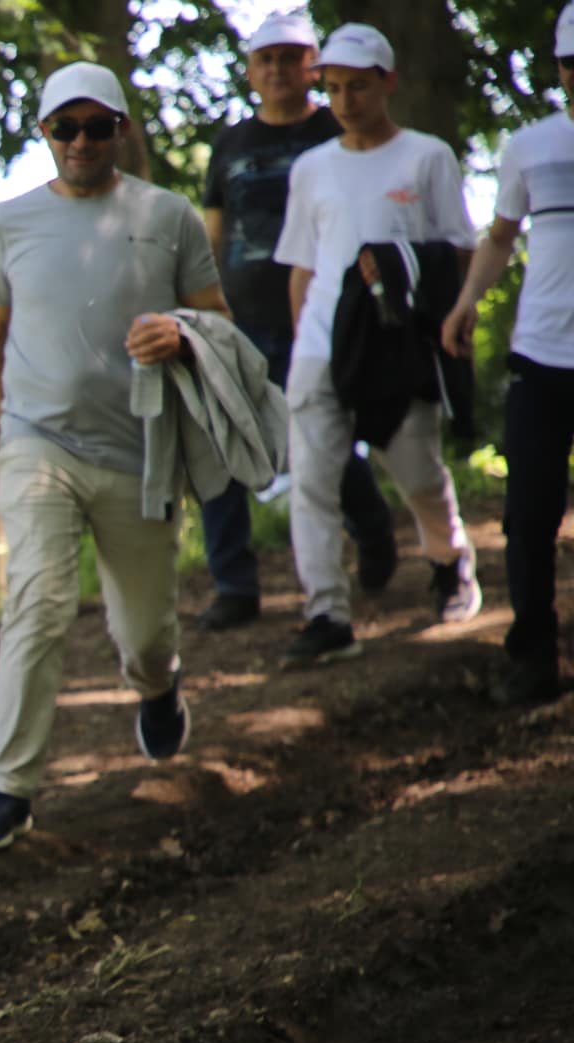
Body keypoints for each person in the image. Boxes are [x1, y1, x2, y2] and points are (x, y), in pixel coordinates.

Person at [0, 62, 227, 851]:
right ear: (42, 133)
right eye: (63, 128)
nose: (80, 141)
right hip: (38, 443)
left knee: (142, 632)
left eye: (96, 126)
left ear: (121, 130)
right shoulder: (4, 224)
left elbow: (220, 325)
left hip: (141, 452)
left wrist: (180, 334)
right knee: (37, 602)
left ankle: (158, 685)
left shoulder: (168, 215)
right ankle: (7, 787)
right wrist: (11, 423)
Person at [274, 23, 478, 665]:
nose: (343, 101)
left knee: (416, 471)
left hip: (398, 345)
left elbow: (461, 250)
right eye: (332, 88)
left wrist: (419, 292)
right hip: (320, 346)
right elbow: (302, 266)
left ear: (388, 82)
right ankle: (326, 613)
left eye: (357, 87)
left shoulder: (427, 157)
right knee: (311, 479)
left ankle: (449, 561)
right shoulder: (312, 168)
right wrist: (302, 343)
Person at [195, 10, 398, 631]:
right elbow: (211, 231)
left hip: (325, 315)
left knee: (320, 435)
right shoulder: (229, 146)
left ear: (312, 66)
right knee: (220, 441)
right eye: (267, 59)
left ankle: (372, 528)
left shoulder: (335, 133)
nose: (279, 69)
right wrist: (202, 306)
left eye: (291, 57)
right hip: (239, 317)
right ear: (251, 72)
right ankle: (234, 583)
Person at [439, 3, 574, 705]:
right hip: (541, 355)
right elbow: (499, 235)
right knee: (528, 510)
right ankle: (532, 653)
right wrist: (466, 302)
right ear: (559, 68)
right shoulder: (530, 147)